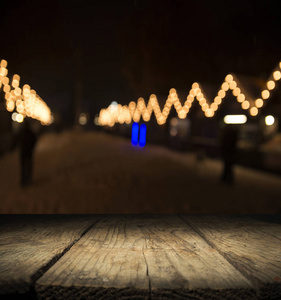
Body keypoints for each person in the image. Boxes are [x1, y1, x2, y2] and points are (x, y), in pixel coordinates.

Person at [18, 119, 37, 187]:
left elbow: (17, 140)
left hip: (23, 152)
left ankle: (24, 180)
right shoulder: (30, 133)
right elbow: (34, 140)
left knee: (24, 167)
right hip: (28, 152)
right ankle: (27, 179)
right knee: (28, 166)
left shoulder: (22, 132)